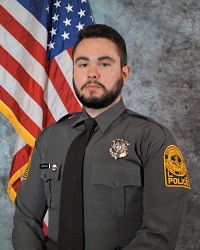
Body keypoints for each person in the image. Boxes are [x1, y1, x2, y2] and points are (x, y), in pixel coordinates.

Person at [12, 24, 190, 250]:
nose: (92, 72)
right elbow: (26, 218)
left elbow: (159, 235)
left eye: (104, 63)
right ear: (74, 71)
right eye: (83, 64)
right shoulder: (50, 138)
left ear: (124, 74)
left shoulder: (153, 139)